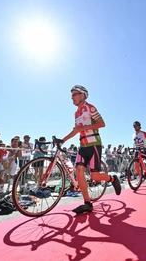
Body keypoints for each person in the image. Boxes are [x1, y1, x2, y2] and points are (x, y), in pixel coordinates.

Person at [61, 85, 121, 214]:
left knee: (95, 176)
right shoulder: (76, 113)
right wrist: (63, 139)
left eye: (74, 94)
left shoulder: (90, 107)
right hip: (82, 146)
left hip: (94, 144)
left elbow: (101, 123)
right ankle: (87, 203)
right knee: (78, 171)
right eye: (71, 95)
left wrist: (81, 129)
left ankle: (113, 179)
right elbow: (76, 130)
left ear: (83, 95)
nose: (72, 97)